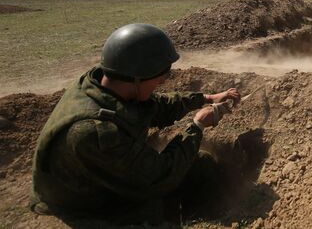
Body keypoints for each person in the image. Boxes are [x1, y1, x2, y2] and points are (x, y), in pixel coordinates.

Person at [31, 23, 240, 225]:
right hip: (85, 203)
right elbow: (160, 177)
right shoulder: (97, 131)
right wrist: (197, 126)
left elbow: (154, 106)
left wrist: (206, 98)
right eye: (160, 76)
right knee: (184, 181)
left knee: (198, 162)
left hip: (98, 177)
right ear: (137, 78)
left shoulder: (104, 84)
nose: (162, 82)